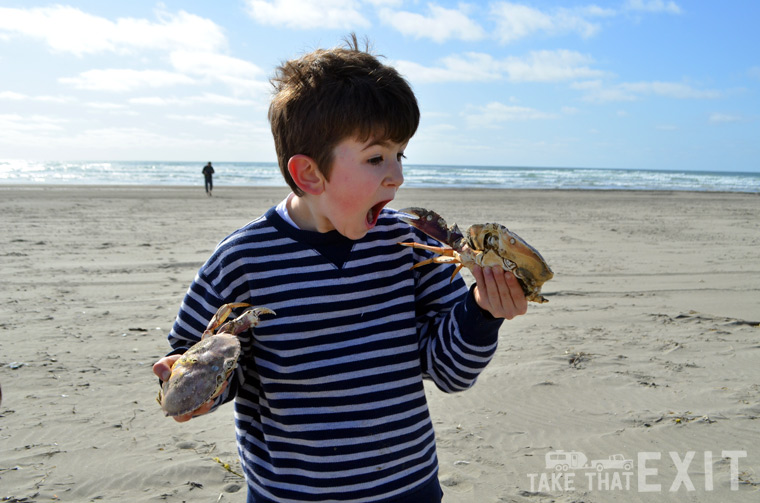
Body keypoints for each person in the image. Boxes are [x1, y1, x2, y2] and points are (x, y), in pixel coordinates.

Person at [153, 35, 527, 503]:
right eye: (376, 158)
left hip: (406, 488)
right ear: (310, 173)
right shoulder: (241, 259)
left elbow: (450, 371)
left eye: (399, 155)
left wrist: (481, 311)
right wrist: (186, 383)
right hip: (289, 495)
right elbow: (198, 359)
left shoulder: (411, 246)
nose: (397, 175)